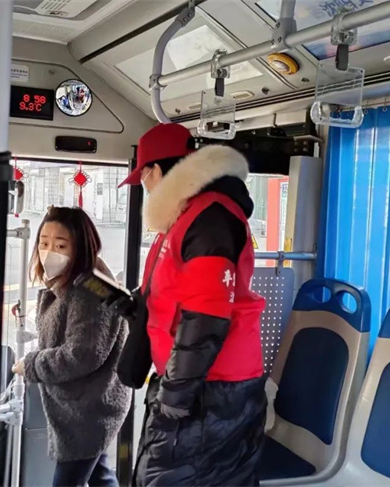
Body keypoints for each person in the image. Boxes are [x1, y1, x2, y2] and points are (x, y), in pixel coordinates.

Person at [118, 123, 267, 486]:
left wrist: (175, 396)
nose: (145, 187)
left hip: (212, 390)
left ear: (156, 171)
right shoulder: (184, 218)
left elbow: (207, 314)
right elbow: (173, 294)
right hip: (191, 383)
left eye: (144, 177)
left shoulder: (209, 217)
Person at [12, 206, 131, 487]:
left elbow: (81, 354)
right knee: (101, 476)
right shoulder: (73, 282)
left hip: (88, 410)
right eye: (43, 243)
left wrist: (32, 364)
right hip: (86, 406)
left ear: (81, 247)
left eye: (60, 245)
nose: (48, 252)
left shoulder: (89, 291)